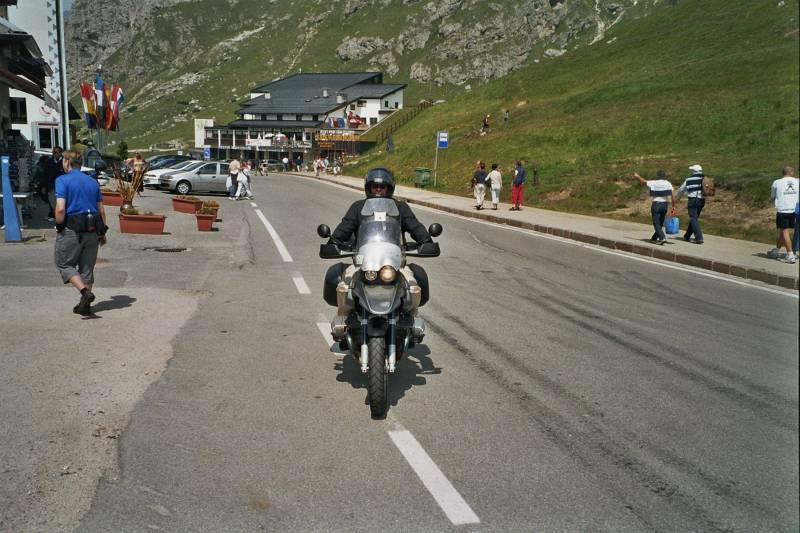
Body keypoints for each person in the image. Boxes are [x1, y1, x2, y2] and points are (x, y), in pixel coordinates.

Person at [330, 167, 433, 318]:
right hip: (362, 262)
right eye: (375, 186)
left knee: (413, 286)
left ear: (389, 188)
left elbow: (414, 226)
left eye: (382, 187)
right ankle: (343, 321)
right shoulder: (358, 207)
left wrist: (426, 241)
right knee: (344, 287)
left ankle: (411, 320)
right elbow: (345, 227)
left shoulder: (400, 208)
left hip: (395, 263)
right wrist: (333, 242)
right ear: (368, 188)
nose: (378, 190)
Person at [53, 151, 108, 317]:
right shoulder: (92, 182)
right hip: (93, 230)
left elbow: (60, 208)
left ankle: (85, 293)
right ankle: (85, 306)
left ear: (68, 162)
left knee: (64, 264)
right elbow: (101, 210)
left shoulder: (62, 180)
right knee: (87, 268)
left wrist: (59, 226)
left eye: (63, 160)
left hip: (73, 229)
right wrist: (102, 232)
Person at [633, 170, 675, 245]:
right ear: (665, 176)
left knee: (656, 224)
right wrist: (673, 205)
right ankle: (654, 238)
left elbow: (643, 181)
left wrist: (637, 176)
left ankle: (662, 238)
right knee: (660, 223)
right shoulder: (668, 183)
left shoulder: (654, 182)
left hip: (656, 204)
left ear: (658, 176)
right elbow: (672, 195)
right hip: (665, 205)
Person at [767, 166, 798, 263]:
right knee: (782, 231)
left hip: (783, 209)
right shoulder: (797, 181)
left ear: (783, 173)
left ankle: (790, 255)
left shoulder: (777, 182)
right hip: (794, 209)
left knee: (784, 231)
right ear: (792, 172)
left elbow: (772, 196)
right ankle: (776, 250)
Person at [676, 164, 706, 244]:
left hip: (693, 200)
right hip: (702, 200)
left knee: (693, 218)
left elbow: (681, 189)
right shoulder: (705, 178)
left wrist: (678, 198)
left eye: (692, 170)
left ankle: (699, 237)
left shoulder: (689, 179)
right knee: (694, 218)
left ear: (694, 171)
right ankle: (687, 236)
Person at [40, 146, 64, 221]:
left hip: (62, 186)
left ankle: (61, 217)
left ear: (61, 153)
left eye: (58, 152)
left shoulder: (64, 162)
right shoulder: (49, 162)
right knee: (52, 201)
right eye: (54, 152)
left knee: (61, 202)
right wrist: (43, 186)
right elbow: (45, 174)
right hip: (51, 185)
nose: (56, 154)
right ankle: (53, 215)